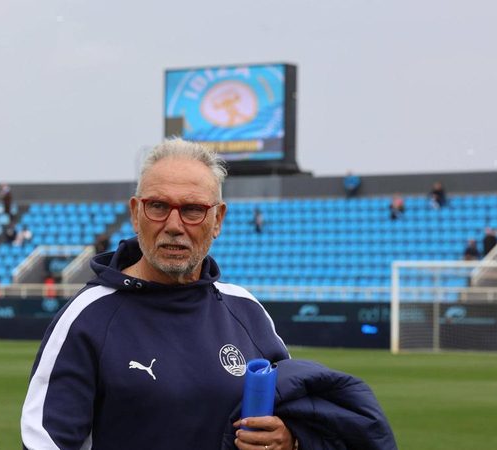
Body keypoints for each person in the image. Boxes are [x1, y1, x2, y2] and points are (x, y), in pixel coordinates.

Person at [22, 139, 294, 449]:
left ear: (217, 219)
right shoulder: (86, 317)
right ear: (135, 213)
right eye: (158, 207)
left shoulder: (247, 311)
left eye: (193, 209)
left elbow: (293, 413)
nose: (174, 225)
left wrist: (290, 438)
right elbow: (43, 442)